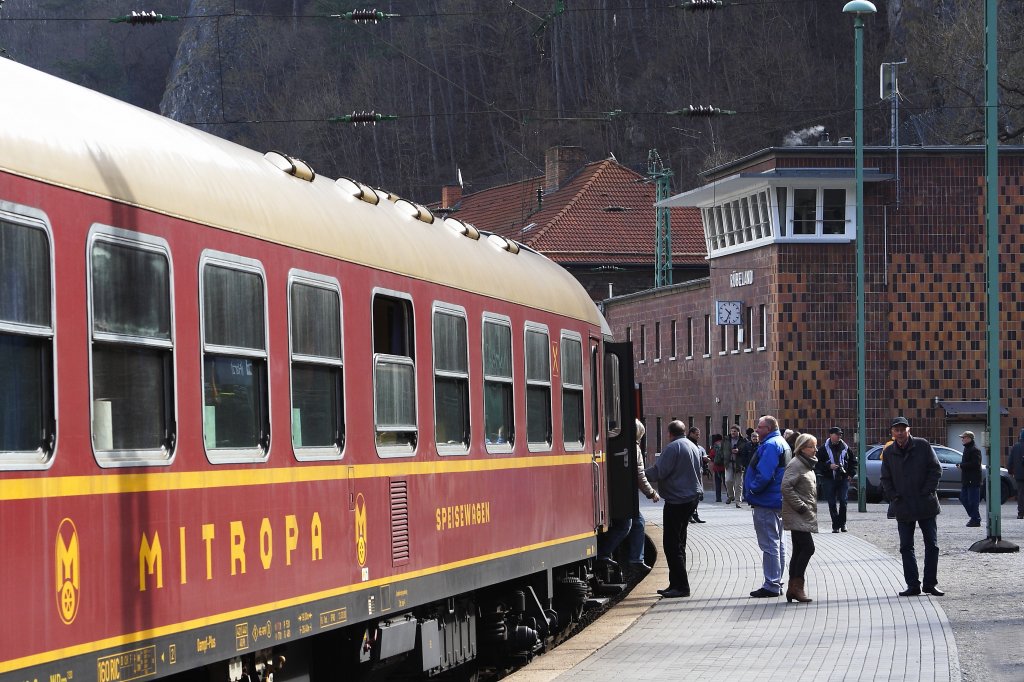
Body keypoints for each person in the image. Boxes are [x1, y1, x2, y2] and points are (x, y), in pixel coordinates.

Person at [880, 416, 944, 597]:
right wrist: (893, 496)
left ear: (909, 430)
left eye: (903, 429)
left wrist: (927, 490)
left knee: (932, 545)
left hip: (925, 502)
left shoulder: (922, 445)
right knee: (906, 546)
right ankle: (913, 585)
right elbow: (885, 477)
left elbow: (935, 469)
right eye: (896, 430)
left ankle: (930, 583)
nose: (900, 432)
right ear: (892, 432)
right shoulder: (890, 451)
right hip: (903, 504)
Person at [644, 420, 703, 598]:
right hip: (691, 498)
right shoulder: (692, 446)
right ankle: (675, 583)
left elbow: (658, 472)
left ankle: (681, 586)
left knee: (671, 545)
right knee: (680, 543)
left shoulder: (672, 448)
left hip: (677, 501)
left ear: (669, 433)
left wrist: (638, 473)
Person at [744, 415, 790, 598]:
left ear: (769, 428)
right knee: (779, 542)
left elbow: (764, 474)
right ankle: (776, 581)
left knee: (769, 544)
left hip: (766, 500)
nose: (756, 430)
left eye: (760, 427)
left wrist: (752, 491)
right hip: (777, 499)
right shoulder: (781, 443)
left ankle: (771, 584)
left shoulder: (771, 445)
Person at [782, 433, 819, 603]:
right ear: (802, 448)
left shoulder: (807, 464)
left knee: (799, 549)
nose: (815, 449)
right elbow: (786, 487)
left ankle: (794, 588)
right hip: (799, 513)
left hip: (802, 514)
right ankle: (796, 587)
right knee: (807, 548)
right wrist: (800, 506)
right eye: (812, 446)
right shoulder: (796, 464)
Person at [624, 419, 660, 573]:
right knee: (634, 523)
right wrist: (651, 492)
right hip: (625, 493)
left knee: (634, 522)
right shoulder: (634, 448)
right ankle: (635, 559)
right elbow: (640, 475)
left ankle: (635, 558)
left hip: (620, 492)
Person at [816, 426, 856, 533]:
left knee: (843, 501)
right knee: (832, 502)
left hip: (843, 478)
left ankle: (842, 523)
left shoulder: (846, 448)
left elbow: (853, 461)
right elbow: (817, 464)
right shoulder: (823, 449)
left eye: (840, 435)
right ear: (830, 435)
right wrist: (829, 466)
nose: (839, 436)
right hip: (828, 478)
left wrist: (851, 474)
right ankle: (835, 525)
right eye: (837, 434)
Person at [957, 430, 982, 527]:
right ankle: (974, 517)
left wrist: (962, 465)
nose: (962, 439)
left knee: (973, 501)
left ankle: (975, 519)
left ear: (969, 438)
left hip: (973, 479)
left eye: (964, 437)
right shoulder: (967, 448)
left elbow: (976, 464)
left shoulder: (975, 449)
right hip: (967, 479)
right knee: (963, 498)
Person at [724, 424, 750, 507]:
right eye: (731, 431)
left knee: (738, 483)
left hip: (739, 463)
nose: (733, 433)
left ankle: (738, 501)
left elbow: (746, 452)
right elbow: (722, 450)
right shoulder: (726, 440)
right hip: (729, 463)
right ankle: (731, 496)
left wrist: (738, 451)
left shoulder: (744, 441)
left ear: (739, 432)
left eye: (734, 431)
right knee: (728, 480)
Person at [687, 426, 709, 523]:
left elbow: (703, 459)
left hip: (698, 474)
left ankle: (694, 513)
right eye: (696, 434)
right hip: (689, 475)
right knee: (691, 495)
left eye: (699, 434)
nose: (698, 436)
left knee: (698, 495)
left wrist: (705, 461)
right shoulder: (687, 445)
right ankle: (689, 514)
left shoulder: (699, 447)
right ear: (691, 433)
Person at [1009, 429, 1024, 520]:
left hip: (1019, 474)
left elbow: (1010, 461)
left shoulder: (1015, 446)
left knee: (1021, 493)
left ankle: (1021, 513)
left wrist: (1010, 471)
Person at [710, 434, 725, 502]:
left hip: (717, 467)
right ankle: (730, 495)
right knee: (726, 482)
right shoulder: (724, 444)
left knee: (718, 483)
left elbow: (711, 455)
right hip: (725, 466)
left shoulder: (715, 445)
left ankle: (718, 498)